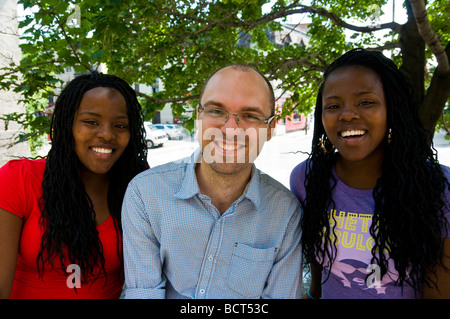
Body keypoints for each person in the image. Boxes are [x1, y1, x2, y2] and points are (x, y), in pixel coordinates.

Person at [122, 64, 303, 299]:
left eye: (250, 115)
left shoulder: (285, 212)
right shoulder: (146, 194)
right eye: (217, 111)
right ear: (198, 116)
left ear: (269, 129)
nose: (230, 129)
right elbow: (143, 293)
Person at [290, 48, 450, 299]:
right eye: (333, 105)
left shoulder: (438, 187)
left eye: (365, 102)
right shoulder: (307, 179)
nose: (347, 114)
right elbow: (318, 278)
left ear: (392, 110)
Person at [0, 72, 149, 299]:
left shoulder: (138, 187)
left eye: (120, 125)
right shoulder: (19, 179)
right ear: (67, 124)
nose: (107, 134)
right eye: (91, 122)